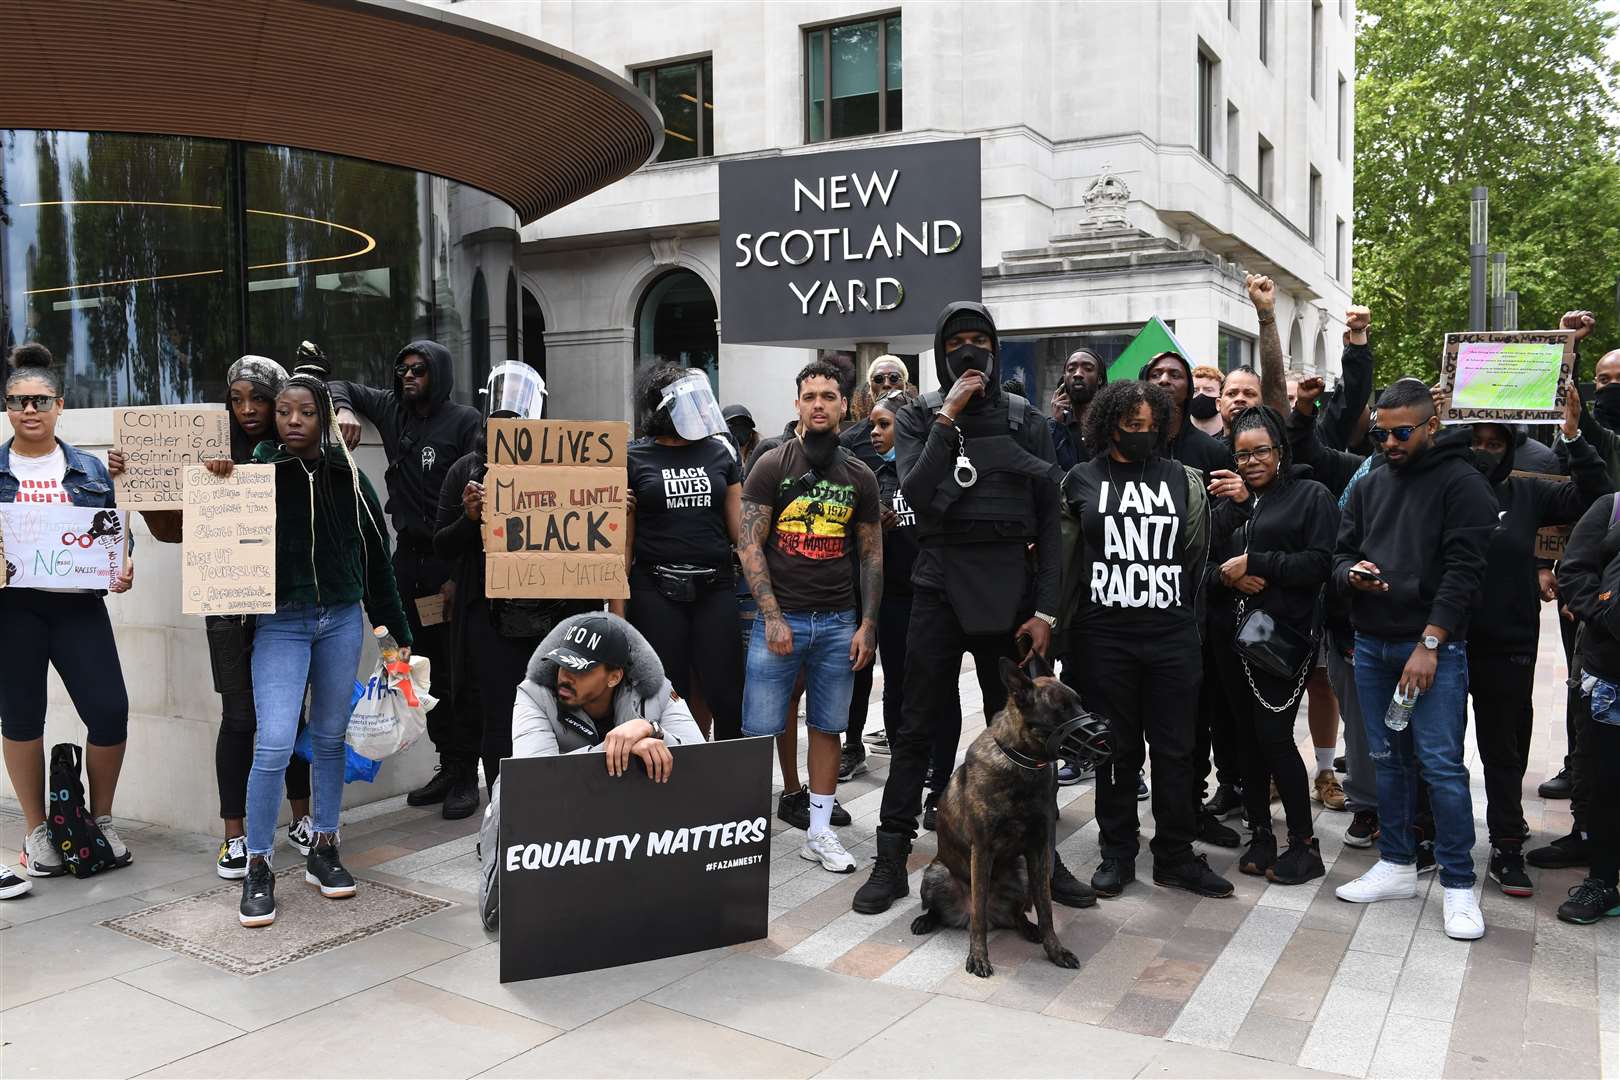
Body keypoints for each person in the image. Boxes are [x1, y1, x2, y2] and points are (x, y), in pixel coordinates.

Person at [856, 301, 1089, 915]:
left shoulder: (1025, 420)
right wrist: (948, 417)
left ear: (996, 346)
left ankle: (1048, 859)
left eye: (980, 340)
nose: (968, 350)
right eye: (955, 340)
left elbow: (1049, 520)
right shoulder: (914, 414)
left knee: (1027, 734)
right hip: (938, 582)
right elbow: (914, 489)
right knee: (916, 726)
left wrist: (1046, 611)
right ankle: (889, 856)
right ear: (938, 350)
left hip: (1010, 590)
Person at [107, 355, 315, 878]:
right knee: (241, 719)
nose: (247, 410)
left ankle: (303, 819)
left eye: (259, 399)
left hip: (286, 602)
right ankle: (235, 836)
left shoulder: (297, 449)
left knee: (290, 717)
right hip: (226, 604)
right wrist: (138, 477)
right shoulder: (204, 448)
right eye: (237, 399)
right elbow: (169, 529)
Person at [231, 369, 413, 929]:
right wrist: (219, 479)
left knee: (331, 738)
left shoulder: (351, 477)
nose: (292, 421)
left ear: (324, 418)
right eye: (284, 411)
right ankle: (258, 863)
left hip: (340, 621)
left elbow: (377, 561)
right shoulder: (256, 472)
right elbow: (215, 530)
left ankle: (325, 848)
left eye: (305, 412)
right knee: (276, 741)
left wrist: (394, 635)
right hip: (280, 624)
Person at [1332, 378, 1496, 941]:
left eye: (1402, 432)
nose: (1391, 443)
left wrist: (1430, 643)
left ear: (1431, 425)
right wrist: (1350, 575)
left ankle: (1457, 884)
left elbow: (1465, 572)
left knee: (1442, 766)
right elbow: (1341, 551)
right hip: (1373, 644)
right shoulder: (1370, 483)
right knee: (1388, 760)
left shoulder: (1462, 482)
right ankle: (1398, 864)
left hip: (1432, 649)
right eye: (1382, 433)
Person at [1057, 380, 1232, 899]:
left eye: (1151, 425)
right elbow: (1063, 560)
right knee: (1115, 749)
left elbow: (1197, 551)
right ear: (1108, 424)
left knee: (1178, 749)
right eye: (1131, 425)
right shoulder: (1080, 479)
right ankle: (1118, 852)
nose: (1142, 434)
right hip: (1103, 637)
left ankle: (1175, 854)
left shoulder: (1183, 478)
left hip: (1172, 634)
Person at [475, 612, 705, 929]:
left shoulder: (656, 690)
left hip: (632, 815)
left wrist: (651, 730)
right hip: (563, 812)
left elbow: (702, 761)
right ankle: (508, 893)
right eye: (562, 664)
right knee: (510, 791)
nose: (564, 676)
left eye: (579, 669)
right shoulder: (534, 693)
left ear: (614, 677)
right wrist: (619, 748)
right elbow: (535, 775)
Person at [739, 360, 880, 874]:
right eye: (810, 395)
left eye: (828, 395)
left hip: (839, 621)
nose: (819, 403)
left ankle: (819, 833)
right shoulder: (772, 464)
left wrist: (867, 625)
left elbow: (870, 555)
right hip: (780, 620)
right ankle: (743, 837)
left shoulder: (860, 475)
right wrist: (771, 616)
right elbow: (749, 544)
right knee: (758, 730)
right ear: (796, 404)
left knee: (828, 728)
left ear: (844, 405)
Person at [1466, 390, 1608, 898]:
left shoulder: (1528, 489)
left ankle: (1506, 847)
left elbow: (1594, 495)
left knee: (1504, 751)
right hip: (1443, 642)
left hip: (1508, 642)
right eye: (1475, 440)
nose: (1484, 450)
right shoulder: (1440, 486)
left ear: (1510, 446)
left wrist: (1573, 436)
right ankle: (1429, 833)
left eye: (1494, 442)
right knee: (1433, 749)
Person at [1, 344, 136, 881]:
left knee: (109, 711)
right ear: (7, 408)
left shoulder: (90, 468)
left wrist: (124, 568)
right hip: (13, 610)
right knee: (21, 715)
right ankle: (37, 832)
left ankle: (100, 818)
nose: (29, 411)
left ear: (60, 406)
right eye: (17, 401)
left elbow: (116, 536)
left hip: (78, 607)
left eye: (39, 401)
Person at [331, 340, 482, 819]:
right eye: (402, 369)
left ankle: (465, 772)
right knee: (415, 668)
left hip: (450, 564)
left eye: (419, 369)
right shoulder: (393, 411)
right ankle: (445, 761)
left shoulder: (465, 422)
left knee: (457, 674)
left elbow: (475, 489)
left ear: (439, 373)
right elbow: (336, 383)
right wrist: (343, 409)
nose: (408, 376)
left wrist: (458, 575)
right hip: (406, 563)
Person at [433, 362, 598, 794]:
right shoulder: (464, 471)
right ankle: (503, 815)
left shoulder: (564, 465)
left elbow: (587, 533)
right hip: (493, 619)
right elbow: (442, 547)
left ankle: (560, 808)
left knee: (565, 713)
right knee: (500, 718)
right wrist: (470, 519)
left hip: (557, 615)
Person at [1208, 406, 1337, 884]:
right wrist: (1227, 578)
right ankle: (1261, 834)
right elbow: (1202, 567)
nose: (1252, 461)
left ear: (1280, 451)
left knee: (1275, 739)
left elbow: (1320, 564)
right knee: (1245, 740)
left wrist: (1257, 561)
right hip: (1230, 639)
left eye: (1261, 450)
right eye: (1242, 454)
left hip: (1283, 640)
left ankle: (1304, 845)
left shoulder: (1310, 496)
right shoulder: (1228, 507)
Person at [624, 365, 744, 740]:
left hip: (714, 587)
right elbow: (622, 549)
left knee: (727, 694)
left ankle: (726, 781)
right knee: (666, 696)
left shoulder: (721, 452)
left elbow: (741, 532)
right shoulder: (633, 458)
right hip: (655, 590)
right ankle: (675, 786)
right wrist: (617, 621)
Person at [1550, 491, 1620, 924]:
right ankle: (1602, 879)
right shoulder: (1612, 507)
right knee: (1605, 780)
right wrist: (1602, 613)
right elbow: (1574, 567)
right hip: (1610, 673)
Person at [1049, 348, 1107, 470]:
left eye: (1088, 369)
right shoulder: (1053, 427)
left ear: (1100, 379)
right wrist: (1056, 424)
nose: (1078, 374)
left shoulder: (1112, 426)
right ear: (1064, 380)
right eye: (1071, 369)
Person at [1190, 365, 1225, 437]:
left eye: (1209, 390)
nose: (1201, 394)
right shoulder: (1178, 436)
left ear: (1221, 394)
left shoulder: (1232, 436)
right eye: (1195, 390)